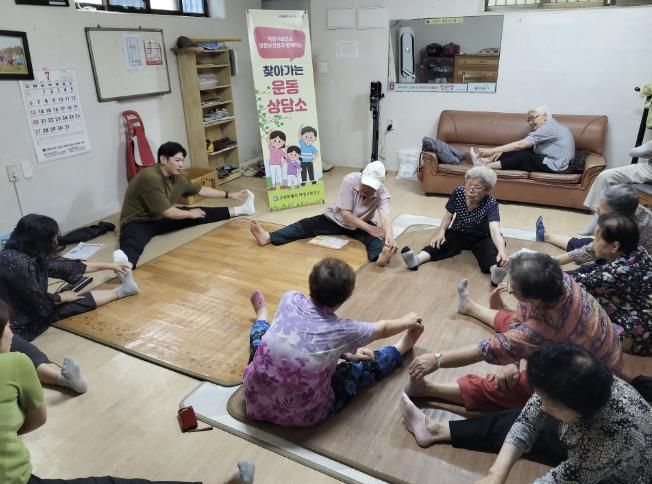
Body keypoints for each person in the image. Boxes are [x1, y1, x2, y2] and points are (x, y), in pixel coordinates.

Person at [0, 300, 223, 484]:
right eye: (8, 327)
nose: (12, 333)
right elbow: (37, 419)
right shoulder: (16, 363)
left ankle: (63, 379)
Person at [400, 343, 652, 484]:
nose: (541, 405)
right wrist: (495, 476)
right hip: (584, 435)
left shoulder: (606, 443)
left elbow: (560, 480)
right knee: (516, 419)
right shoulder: (587, 382)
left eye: (548, 402)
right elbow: (528, 419)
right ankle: (436, 430)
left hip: (617, 476)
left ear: (573, 410)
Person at [405, 253, 623, 411]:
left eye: (513, 287)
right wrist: (512, 361)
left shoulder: (540, 328)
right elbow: (521, 322)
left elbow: (489, 348)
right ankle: (470, 307)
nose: (508, 287)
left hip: (590, 382)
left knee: (506, 386)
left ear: (533, 298)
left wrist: (437, 359)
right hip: (588, 350)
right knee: (512, 323)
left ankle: (427, 389)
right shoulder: (559, 281)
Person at [242, 257, 424, 427]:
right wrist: (406, 321)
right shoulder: (344, 330)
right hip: (304, 415)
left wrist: (346, 352)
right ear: (345, 297)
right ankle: (401, 347)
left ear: (310, 281)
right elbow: (382, 328)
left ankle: (262, 316)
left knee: (261, 342)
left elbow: (307, 340)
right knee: (360, 368)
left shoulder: (290, 298)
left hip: (254, 401)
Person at [0, 214, 141, 393]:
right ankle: (63, 379)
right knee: (23, 351)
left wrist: (111, 266)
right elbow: (39, 301)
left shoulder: (32, 253)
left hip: (30, 309)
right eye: (54, 237)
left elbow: (66, 266)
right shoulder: (14, 261)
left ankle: (123, 290)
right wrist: (60, 298)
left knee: (73, 299)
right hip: (9, 321)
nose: (56, 240)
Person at [119, 141, 255, 267]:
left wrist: (229, 194)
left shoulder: (177, 177)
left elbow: (202, 190)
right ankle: (125, 269)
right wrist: (189, 213)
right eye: (177, 160)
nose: (181, 165)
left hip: (159, 217)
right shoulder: (150, 177)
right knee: (133, 243)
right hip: (137, 221)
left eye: (182, 161)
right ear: (163, 159)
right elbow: (168, 212)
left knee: (200, 212)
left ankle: (242, 209)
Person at [250, 161, 398, 266]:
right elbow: (346, 214)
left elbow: (385, 215)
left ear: (379, 186)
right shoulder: (350, 180)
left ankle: (380, 257)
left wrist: (389, 236)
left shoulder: (383, 194)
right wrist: (370, 228)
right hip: (335, 219)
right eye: (364, 184)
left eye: (371, 188)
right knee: (305, 225)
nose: (366, 189)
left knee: (378, 238)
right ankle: (268, 237)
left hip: (361, 224)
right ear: (361, 176)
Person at [400, 166, 508, 282]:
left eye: (477, 187)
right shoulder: (458, 193)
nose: (471, 189)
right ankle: (416, 260)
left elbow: (495, 231)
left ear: (487, 190)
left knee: (490, 250)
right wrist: (441, 232)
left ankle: (495, 272)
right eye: (469, 184)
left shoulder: (491, 203)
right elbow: (448, 216)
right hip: (459, 232)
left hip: (482, 237)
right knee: (441, 242)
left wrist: (502, 251)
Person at [569, 214, 652, 356]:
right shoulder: (639, 252)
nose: (593, 243)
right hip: (642, 309)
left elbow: (572, 282)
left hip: (640, 332)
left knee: (576, 296)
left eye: (596, 239)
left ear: (614, 246)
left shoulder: (613, 273)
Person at [537, 184, 652, 266]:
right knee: (585, 243)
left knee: (578, 272)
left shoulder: (626, 230)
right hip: (615, 251)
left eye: (602, 208)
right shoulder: (629, 208)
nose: (596, 208)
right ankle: (547, 236)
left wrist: (549, 263)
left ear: (615, 215)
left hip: (626, 263)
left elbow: (590, 251)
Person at [470, 105, 575, 173]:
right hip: (552, 159)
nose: (530, 122)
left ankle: (484, 166)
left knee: (524, 157)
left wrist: (492, 150)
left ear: (545, 116)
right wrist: (501, 152)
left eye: (532, 118)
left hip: (557, 164)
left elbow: (521, 144)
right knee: (523, 151)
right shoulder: (552, 126)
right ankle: (484, 160)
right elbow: (523, 146)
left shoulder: (550, 127)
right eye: (528, 120)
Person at [579, 139, 652, 234]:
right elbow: (633, 152)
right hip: (649, 168)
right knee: (605, 176)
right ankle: (597, 219)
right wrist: (647, 151)